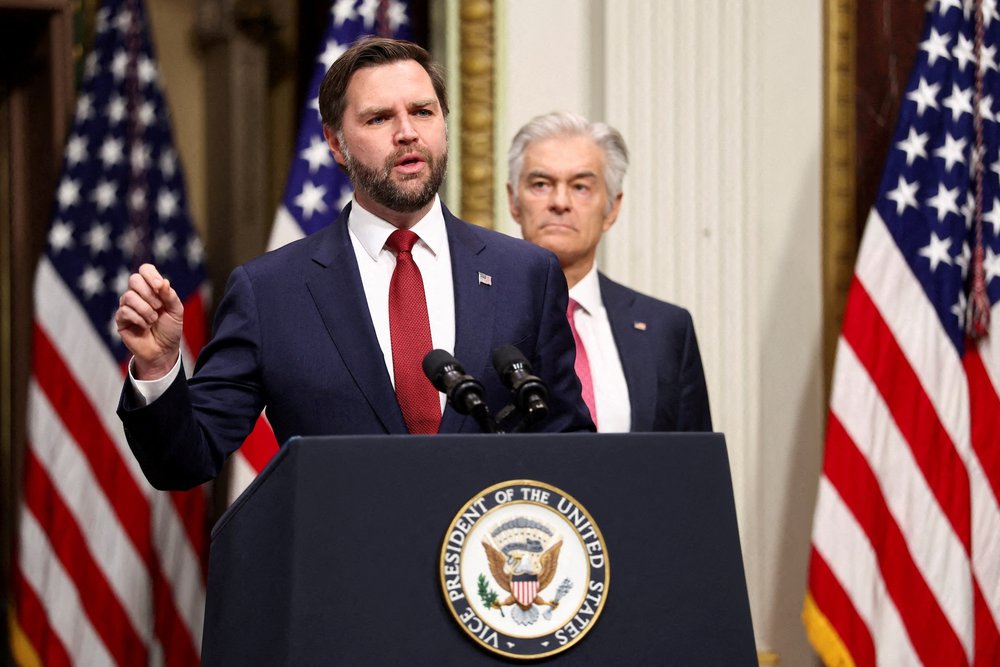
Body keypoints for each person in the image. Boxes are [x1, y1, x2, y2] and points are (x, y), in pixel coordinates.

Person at [115, 39, 593, 491]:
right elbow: (185, 462)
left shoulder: (525, 275)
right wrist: (158, 367)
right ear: (336, 143)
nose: (407, 132)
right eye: (379, 118)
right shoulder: (271, 291)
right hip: (341, 549)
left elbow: (570, 449)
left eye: (423, 112)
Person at [507, 111, 712, 433]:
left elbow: (693, 458)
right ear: (514, 201)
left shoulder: (666, 329)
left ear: (612, 208)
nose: (560, 202)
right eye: (541, 184)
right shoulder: (480, 317)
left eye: (580, 187)